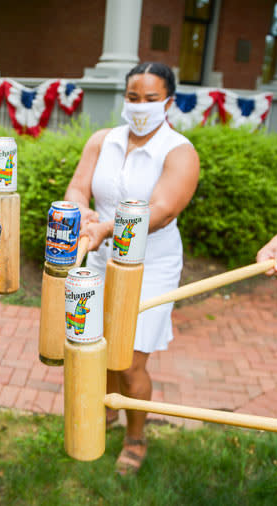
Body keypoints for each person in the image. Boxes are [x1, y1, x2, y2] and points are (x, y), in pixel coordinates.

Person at [64, 62, 200, 475]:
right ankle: (106, 411)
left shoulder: (179, 151)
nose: (140, 106)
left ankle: (136, 435)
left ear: (169, 102)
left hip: (151, 265)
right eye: (133, 98)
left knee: (129, 360)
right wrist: (80, 211)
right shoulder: (102, 140)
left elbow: (161, 210)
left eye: (151, 99)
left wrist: (107, 227)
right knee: (99, 348)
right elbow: (77, 185)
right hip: (101, 257)